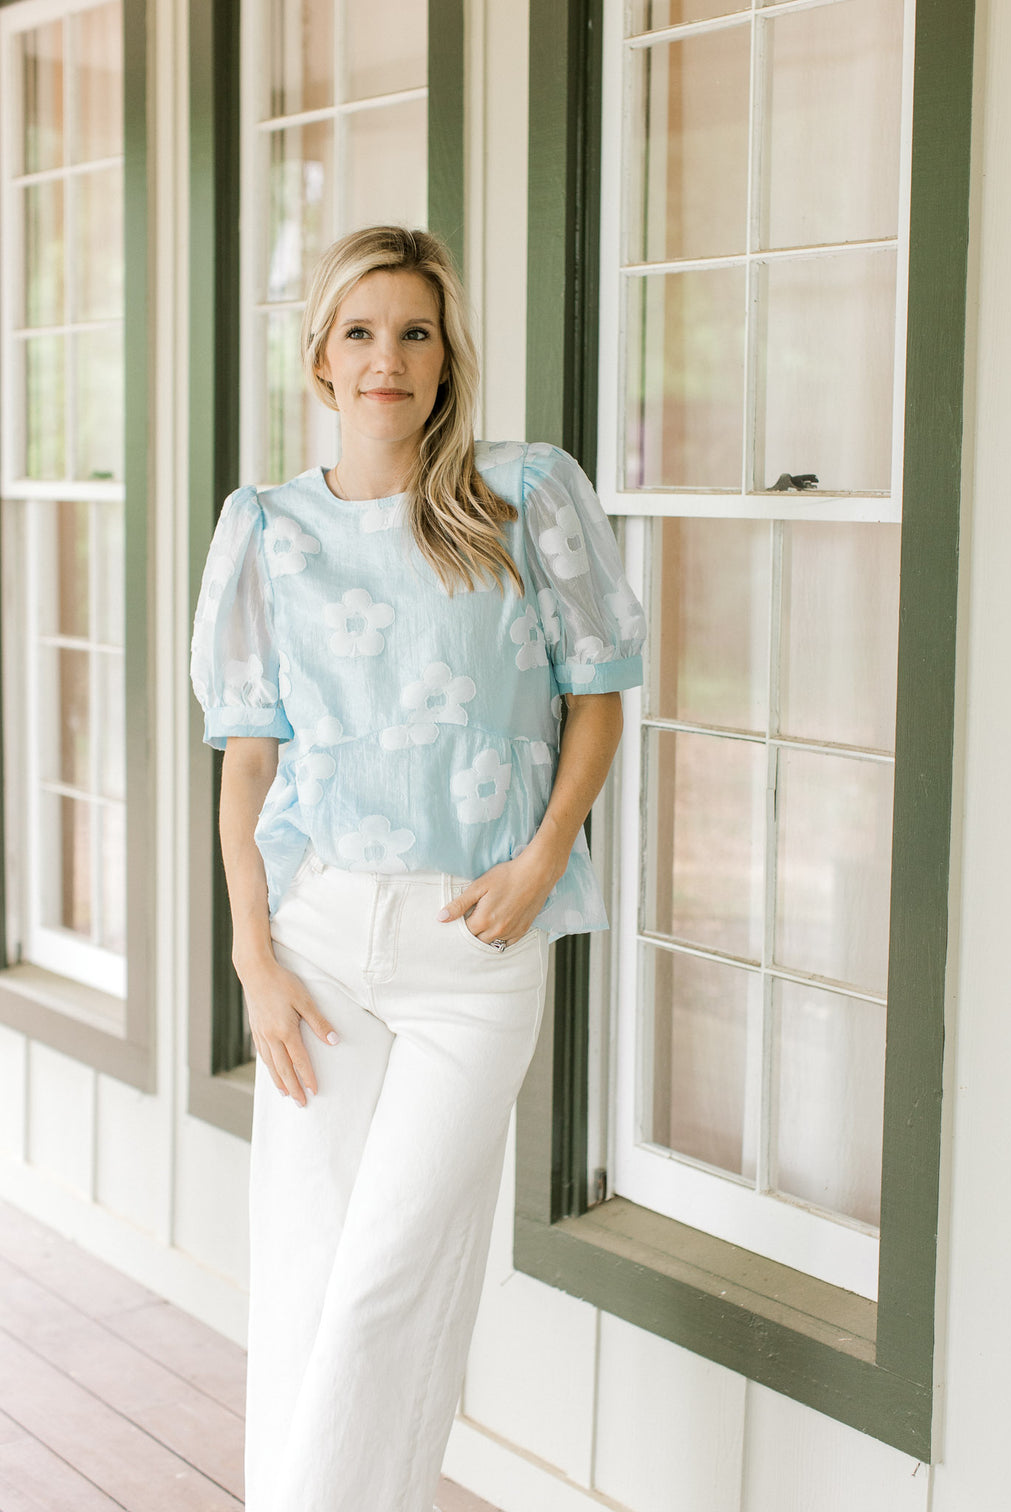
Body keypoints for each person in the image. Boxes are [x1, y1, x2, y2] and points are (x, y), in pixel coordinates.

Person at [189, 224, 646, 1512]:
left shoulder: (523, 495)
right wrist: (254, 957)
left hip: (474, 946)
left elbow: (599, 694)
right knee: (309, 1275)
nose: (386, 357)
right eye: (360, 332)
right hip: (320, 942)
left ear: (447, 358)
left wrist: (543, 861)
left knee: (392, 1277)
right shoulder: (266, 528)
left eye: (415, 332)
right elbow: (248, 760)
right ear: (321, 361)